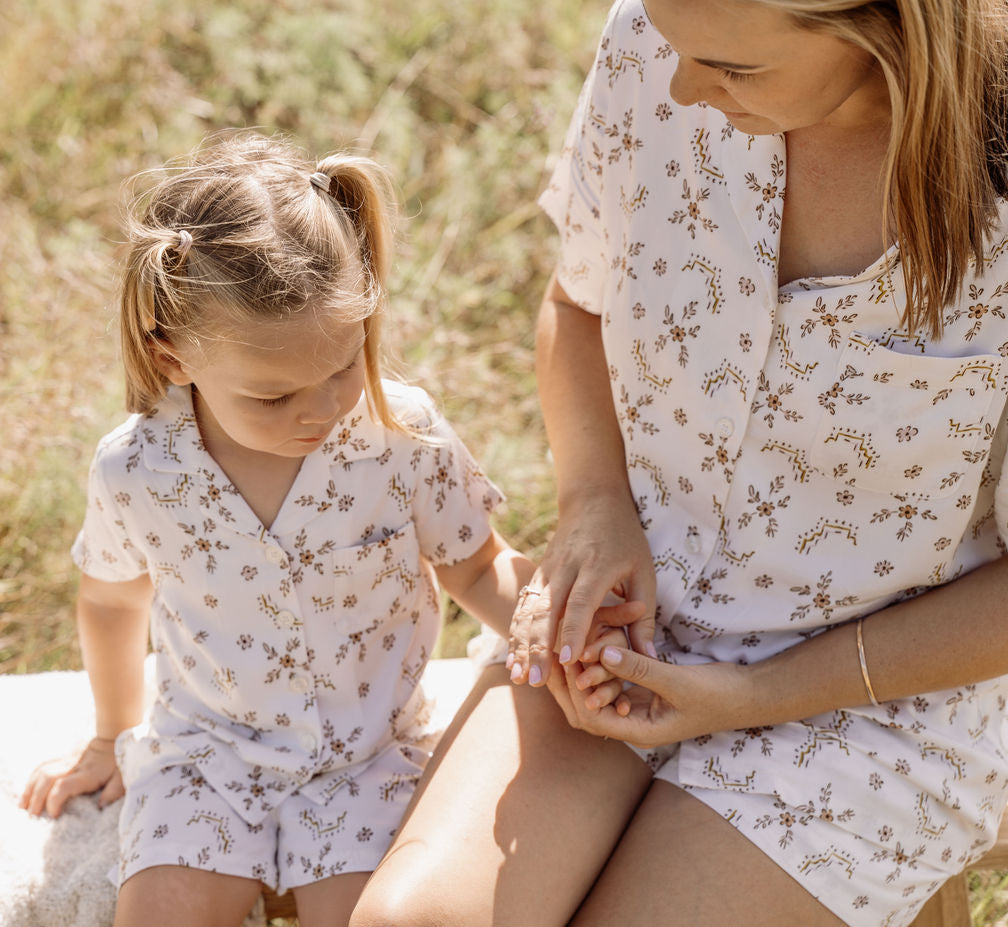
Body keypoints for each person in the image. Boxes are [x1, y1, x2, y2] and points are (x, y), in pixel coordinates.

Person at [350, 1, 1008, 925]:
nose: (676, 88)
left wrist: (753, 696)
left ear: (888, 23)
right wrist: (593, 501)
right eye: (670, 47)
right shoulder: (662, 37)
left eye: (731, 70)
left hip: (870, 702)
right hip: (626, 630)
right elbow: (577, 303)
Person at [16, 132, 636, 927]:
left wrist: (557, 624)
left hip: (364, 756)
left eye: (344, 363)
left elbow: (478, 570)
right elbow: (110, 602)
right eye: (273, 397)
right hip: (206, 756)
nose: (321, 408)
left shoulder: (400, 437)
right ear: (172, 357)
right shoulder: (137, 471)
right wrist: (109, 735)